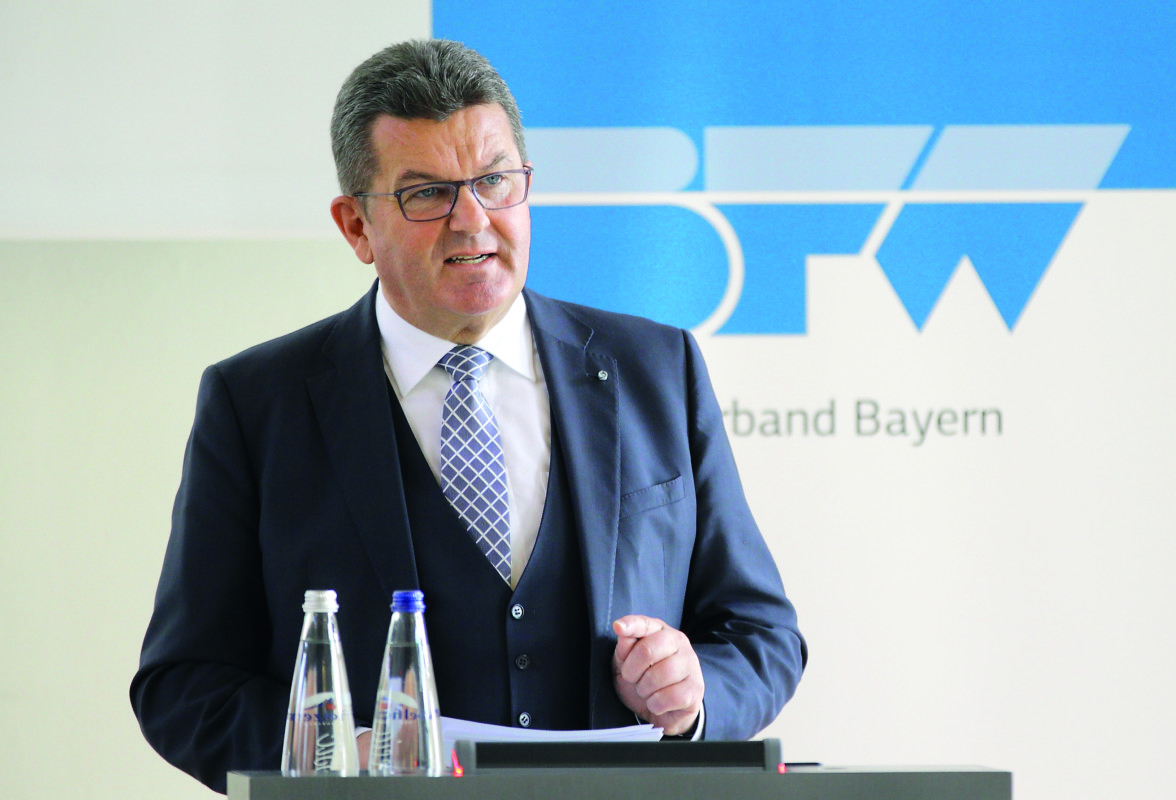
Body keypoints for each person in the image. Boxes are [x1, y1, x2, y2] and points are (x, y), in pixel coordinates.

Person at [130, 39, 806, 793]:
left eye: (494, 181)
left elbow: (761, 634)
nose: (473, 220)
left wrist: (694, 695)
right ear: (356, 226)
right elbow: (183, 684)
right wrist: (337, 752)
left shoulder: (657, 368)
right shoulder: (256, 404)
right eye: (427, 194)